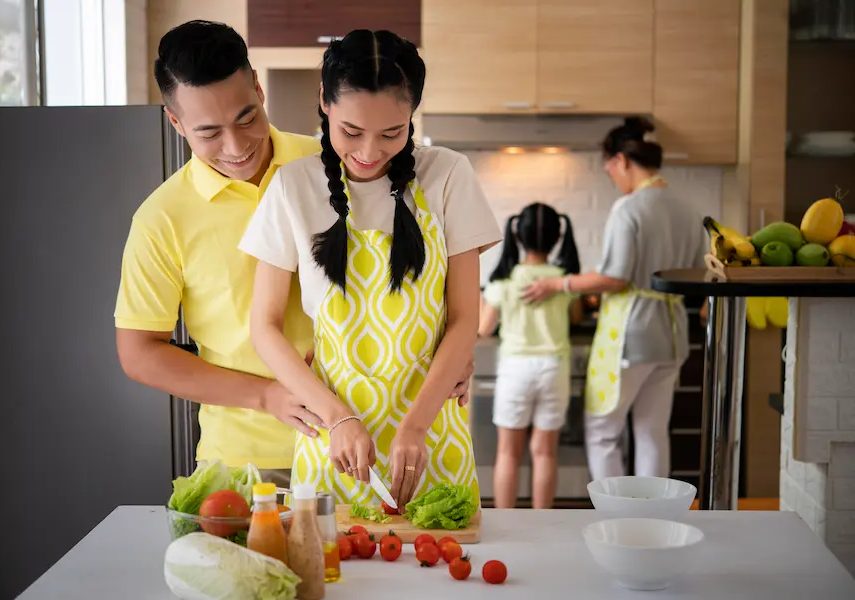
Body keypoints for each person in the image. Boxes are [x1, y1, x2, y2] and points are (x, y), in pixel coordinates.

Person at [113, 21, 473, 487]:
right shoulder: (161, 217)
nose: (236, 145)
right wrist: (267, 396)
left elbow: (422, 290)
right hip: (248, 458)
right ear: (176, 123)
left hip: (377, 439)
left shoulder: (337, 163)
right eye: (208, 133)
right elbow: (139, 354)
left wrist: (451, 358)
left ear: (259, 91)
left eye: (245, 117)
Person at [238, 29, 502, 509]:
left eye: (392, 133)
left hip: (433, 436)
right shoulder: (292, 188)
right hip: (331, 439)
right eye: (351, 132)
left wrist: (417, 425)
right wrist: (338, 417)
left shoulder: (448, 176)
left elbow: (466, 318)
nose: (369, 152)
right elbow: (265, 328)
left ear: (412, 116)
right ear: (325, 102)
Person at [521, 117, 706, 482]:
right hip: (672, 333)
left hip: (631, 335)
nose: (613, 178)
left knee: (604, 431)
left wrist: (558, 285)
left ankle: (618, 515)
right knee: (652, 431)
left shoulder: (630, 208)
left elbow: (614, 278)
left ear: (621, 160)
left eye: (609, 170)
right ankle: (652, 518)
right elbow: (697, 273)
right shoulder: (688, 208)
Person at [477, 203, 583, 509]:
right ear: (558, 236)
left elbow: (484, 328)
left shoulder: (503, 283)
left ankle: (507, 519)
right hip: (554, 368)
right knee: (545, 452)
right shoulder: (565, 280)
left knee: (508, 452)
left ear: (517, 236)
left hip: (516, 369)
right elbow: (576, 317)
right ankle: (543, 521)